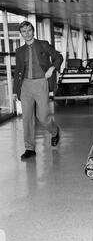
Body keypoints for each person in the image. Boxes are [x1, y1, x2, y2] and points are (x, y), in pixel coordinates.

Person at [13, 21, 63, 160]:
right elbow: (17, 70)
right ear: (21, 34)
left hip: (41, 83)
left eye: (29, 30)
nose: (27, 33)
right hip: (25, 85)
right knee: (27, 118)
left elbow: (58, 57)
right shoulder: (19, 51)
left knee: (42, 116)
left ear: (33, 31)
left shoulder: (43, 44)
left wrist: (52, 69)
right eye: (24, 31)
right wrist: (15, 90)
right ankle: (29, 149)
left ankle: (54, 132)